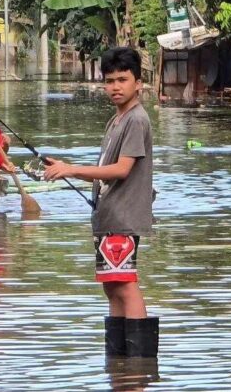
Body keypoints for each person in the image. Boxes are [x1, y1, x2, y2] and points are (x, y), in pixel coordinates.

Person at [43, 47, 158, 358]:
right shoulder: (117, 120)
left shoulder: (135, 119)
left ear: (139, 82)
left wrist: (71, 168)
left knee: (125, 284)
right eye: (109, 81)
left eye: (123, 79)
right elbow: (104, 172)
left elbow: (121, 169)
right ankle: (120, 363)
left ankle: (139, 363)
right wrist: (65, 166)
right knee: (112, 285)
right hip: (108, 215)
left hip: (123, 215)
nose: (116, 87)